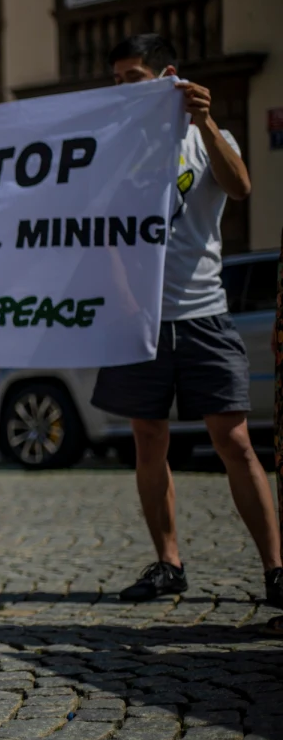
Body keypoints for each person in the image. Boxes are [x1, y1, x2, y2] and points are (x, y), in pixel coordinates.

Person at [90, 35, 283, 606]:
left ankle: (276, 569)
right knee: (148, 441)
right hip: (142, 322)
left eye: (133, 77)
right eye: (116, 80)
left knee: (235, 440)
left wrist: (204, 121)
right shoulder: (116, 147)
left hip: (204, 313)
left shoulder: (207, 137)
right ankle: (168, 563)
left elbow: (240, 186)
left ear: (166, 75)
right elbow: (103, 231)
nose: (123, 88)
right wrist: (125, 299)